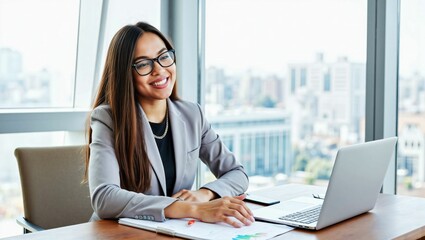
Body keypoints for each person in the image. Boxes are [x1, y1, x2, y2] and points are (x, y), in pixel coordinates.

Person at [83, 21, 254, 228]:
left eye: (164, 57)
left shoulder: (192, 115)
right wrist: (191, 209)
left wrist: (205, 194)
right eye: (144, 64)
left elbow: (237, 173)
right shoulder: (108, 119)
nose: (159, 70)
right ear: (125, 73)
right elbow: (105, 198)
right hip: (121, 233)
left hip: (177, 231)